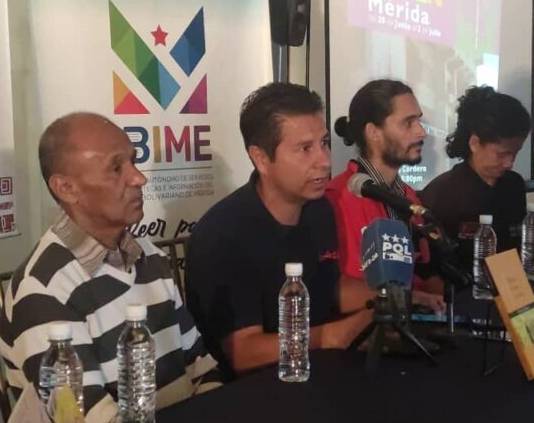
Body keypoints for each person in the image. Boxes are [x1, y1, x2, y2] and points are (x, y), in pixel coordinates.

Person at [0, 113, 220, 423]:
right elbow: (86, 418)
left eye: (133, 161)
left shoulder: (150, 256)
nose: (138, 178)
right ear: (66, 188)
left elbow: (200, 367)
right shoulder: (42, 289)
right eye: (116, 168)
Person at [185, 82, 374, 378]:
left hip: (316, 370)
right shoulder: (223, 235)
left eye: (324, 143)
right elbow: (243, 352)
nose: (325, 161)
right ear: (261, 158)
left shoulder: (318, 209)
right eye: (305, 149)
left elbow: (328, 289)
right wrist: (332, 336)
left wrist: (397, 299)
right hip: (252, 390)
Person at [326, 79, 445, 313]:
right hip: (364, 329)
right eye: (408, 123)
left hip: (409, 325)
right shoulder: (337, 198)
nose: (421, 132)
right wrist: (411, 298)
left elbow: (423, 273)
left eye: (419, 121)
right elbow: (335, 290)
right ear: (373, 132)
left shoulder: (410, 200)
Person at [420, 85, 531, 272]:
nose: (510, 163)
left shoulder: (514, 185)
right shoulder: (441, 195)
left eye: (515, 153)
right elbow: (431, 270)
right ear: (475, 143)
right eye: (502, 154)